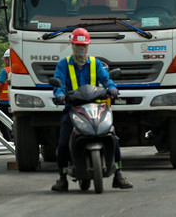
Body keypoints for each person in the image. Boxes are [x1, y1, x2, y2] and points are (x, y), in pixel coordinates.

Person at [50, 28, 132, 191]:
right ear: (72, 45)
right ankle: (62, 178)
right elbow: (58, 83)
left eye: (84, 46)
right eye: (78, 45)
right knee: (63, 143)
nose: (81, 49)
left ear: (88, 46)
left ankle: (118, 174)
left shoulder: (96, 64)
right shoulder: (63, 64)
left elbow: (106, 79)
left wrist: (112, 88)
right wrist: (59, 94)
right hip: (73, 108)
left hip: (96, 107)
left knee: (113, 138)